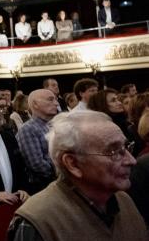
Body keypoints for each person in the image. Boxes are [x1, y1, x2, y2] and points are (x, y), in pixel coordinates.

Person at [9, 111, 146, 241]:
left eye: (127, 147)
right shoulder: (37, 221)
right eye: (114, 151)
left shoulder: (124, 201)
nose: (131, 160)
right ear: (73, 163)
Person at [17, 89, 58, 193]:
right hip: (43, 187)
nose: (56, 103)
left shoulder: (52, 125)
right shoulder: (28, 129)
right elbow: (37, 164)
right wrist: (61, 171)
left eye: (56, 100)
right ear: (35, 104)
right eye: (50, 100)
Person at [88, 89, 145, 157]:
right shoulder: (102, 131)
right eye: (113, 100)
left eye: (117, 99)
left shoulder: (125, 123)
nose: (119, 103)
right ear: (102, 105)